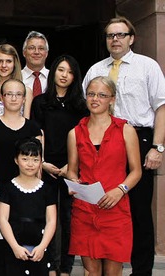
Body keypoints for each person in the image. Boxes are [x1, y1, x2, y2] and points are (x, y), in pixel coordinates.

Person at [82, 17, 165, 275]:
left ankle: (141, 271)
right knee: (101, 205)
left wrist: (157, 147)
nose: (115, 39)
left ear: (132, 38)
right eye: (110, 35)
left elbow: (161, 107)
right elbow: (86, 108)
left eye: (120, 34)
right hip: (102, 141)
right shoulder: (96, 70)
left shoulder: (147, 66)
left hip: (138, 139)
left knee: (139, 209)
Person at [67, 76, 142, 275]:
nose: (95, 99)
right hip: (85, 209)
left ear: (112, 99)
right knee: (91, 271)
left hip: (115, 209)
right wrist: (73, 183)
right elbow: (72, 170)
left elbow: (136, 171)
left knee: (113, 271)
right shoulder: (75, 132)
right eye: (91, 94)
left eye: (102, 95)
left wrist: (121, 190)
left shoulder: (126, 130)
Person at [30, 55, 89, 276]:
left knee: (68, 218)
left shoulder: (81, 106)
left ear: (75, 77)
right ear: (53, 72)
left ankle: (65, 268)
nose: (64, 75)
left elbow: (84, 138)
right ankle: (49, 267)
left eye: (70, 71)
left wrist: (69, 167)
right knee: (46, 216)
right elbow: (36, 135)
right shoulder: (40, 102)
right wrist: (42, 163)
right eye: (61, 70)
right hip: (44, 167)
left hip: (71, 169)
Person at [0, 79, 42, 276]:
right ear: (2, 98)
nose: (13, 98)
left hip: (26, 199)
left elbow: (38, 167)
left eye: (18, 94)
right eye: (9, 94)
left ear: (24, 99)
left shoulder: (33, 129)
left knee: (22, 255)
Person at [0, 138, 57, 275]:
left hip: (40, 249)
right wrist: (15, 246)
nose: (30, 164)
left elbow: (51, 220)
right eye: (25, 159)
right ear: (16, 160)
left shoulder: (47, 189)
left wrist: (42, 246)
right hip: (14, 248)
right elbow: (3, 219)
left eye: (35, 160)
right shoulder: (8, 188)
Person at [0, 44, 32, 118]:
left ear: (14, 64)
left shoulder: (26, 91)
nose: (4, 65)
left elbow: (27, 122)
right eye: (0, 61)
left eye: (8, 61)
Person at [21, 31, 50, 97]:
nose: (36, 52)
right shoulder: (16, 77)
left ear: (46, 53)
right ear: (24, 52)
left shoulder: (54, 77)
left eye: (41, 48)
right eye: (32, 48)